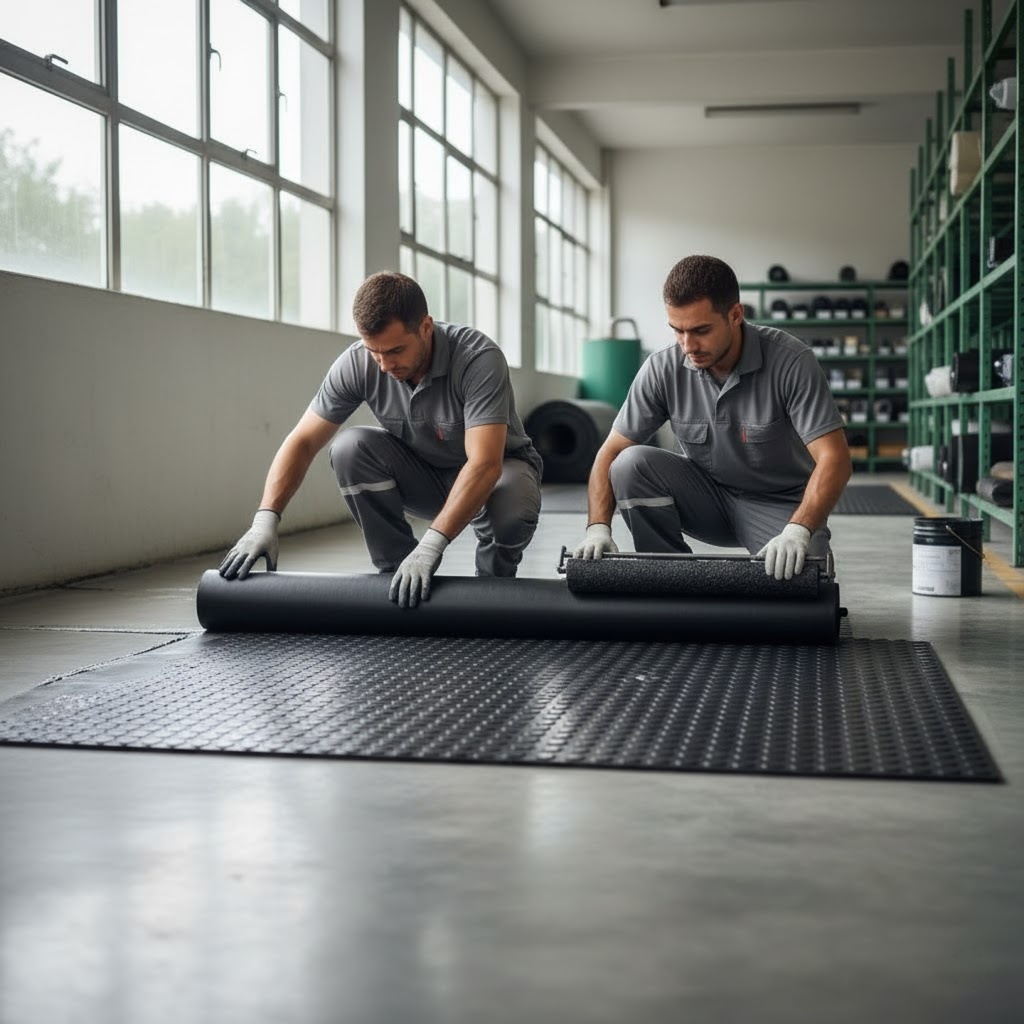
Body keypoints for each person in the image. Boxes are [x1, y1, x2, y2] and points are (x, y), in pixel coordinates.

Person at [220, 272, 542, 607]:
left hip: (498, 477)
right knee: (349, 448)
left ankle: (492, 588)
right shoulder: (358, 363)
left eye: (396, 350)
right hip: (427, 477)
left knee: (513, 503)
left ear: (426, 327)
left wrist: (430, 547)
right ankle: (398, 579)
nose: (386, 365)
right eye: (375, 351)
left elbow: (484, 464)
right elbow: (302, 441)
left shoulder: (478, 359)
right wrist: (265, 521)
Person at [573, 254, 851, 580]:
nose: (688, 345)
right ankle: (667, 579)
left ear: (735, 315)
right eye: (678, 330)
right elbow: (610, 452)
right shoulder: (663, 368)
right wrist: (597, 528)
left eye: (701, 330)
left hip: (780, 505)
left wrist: (798, 530)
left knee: (807, 588)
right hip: (704, 498)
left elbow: (835, 459)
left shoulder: (791, 362)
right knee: (629, 463)